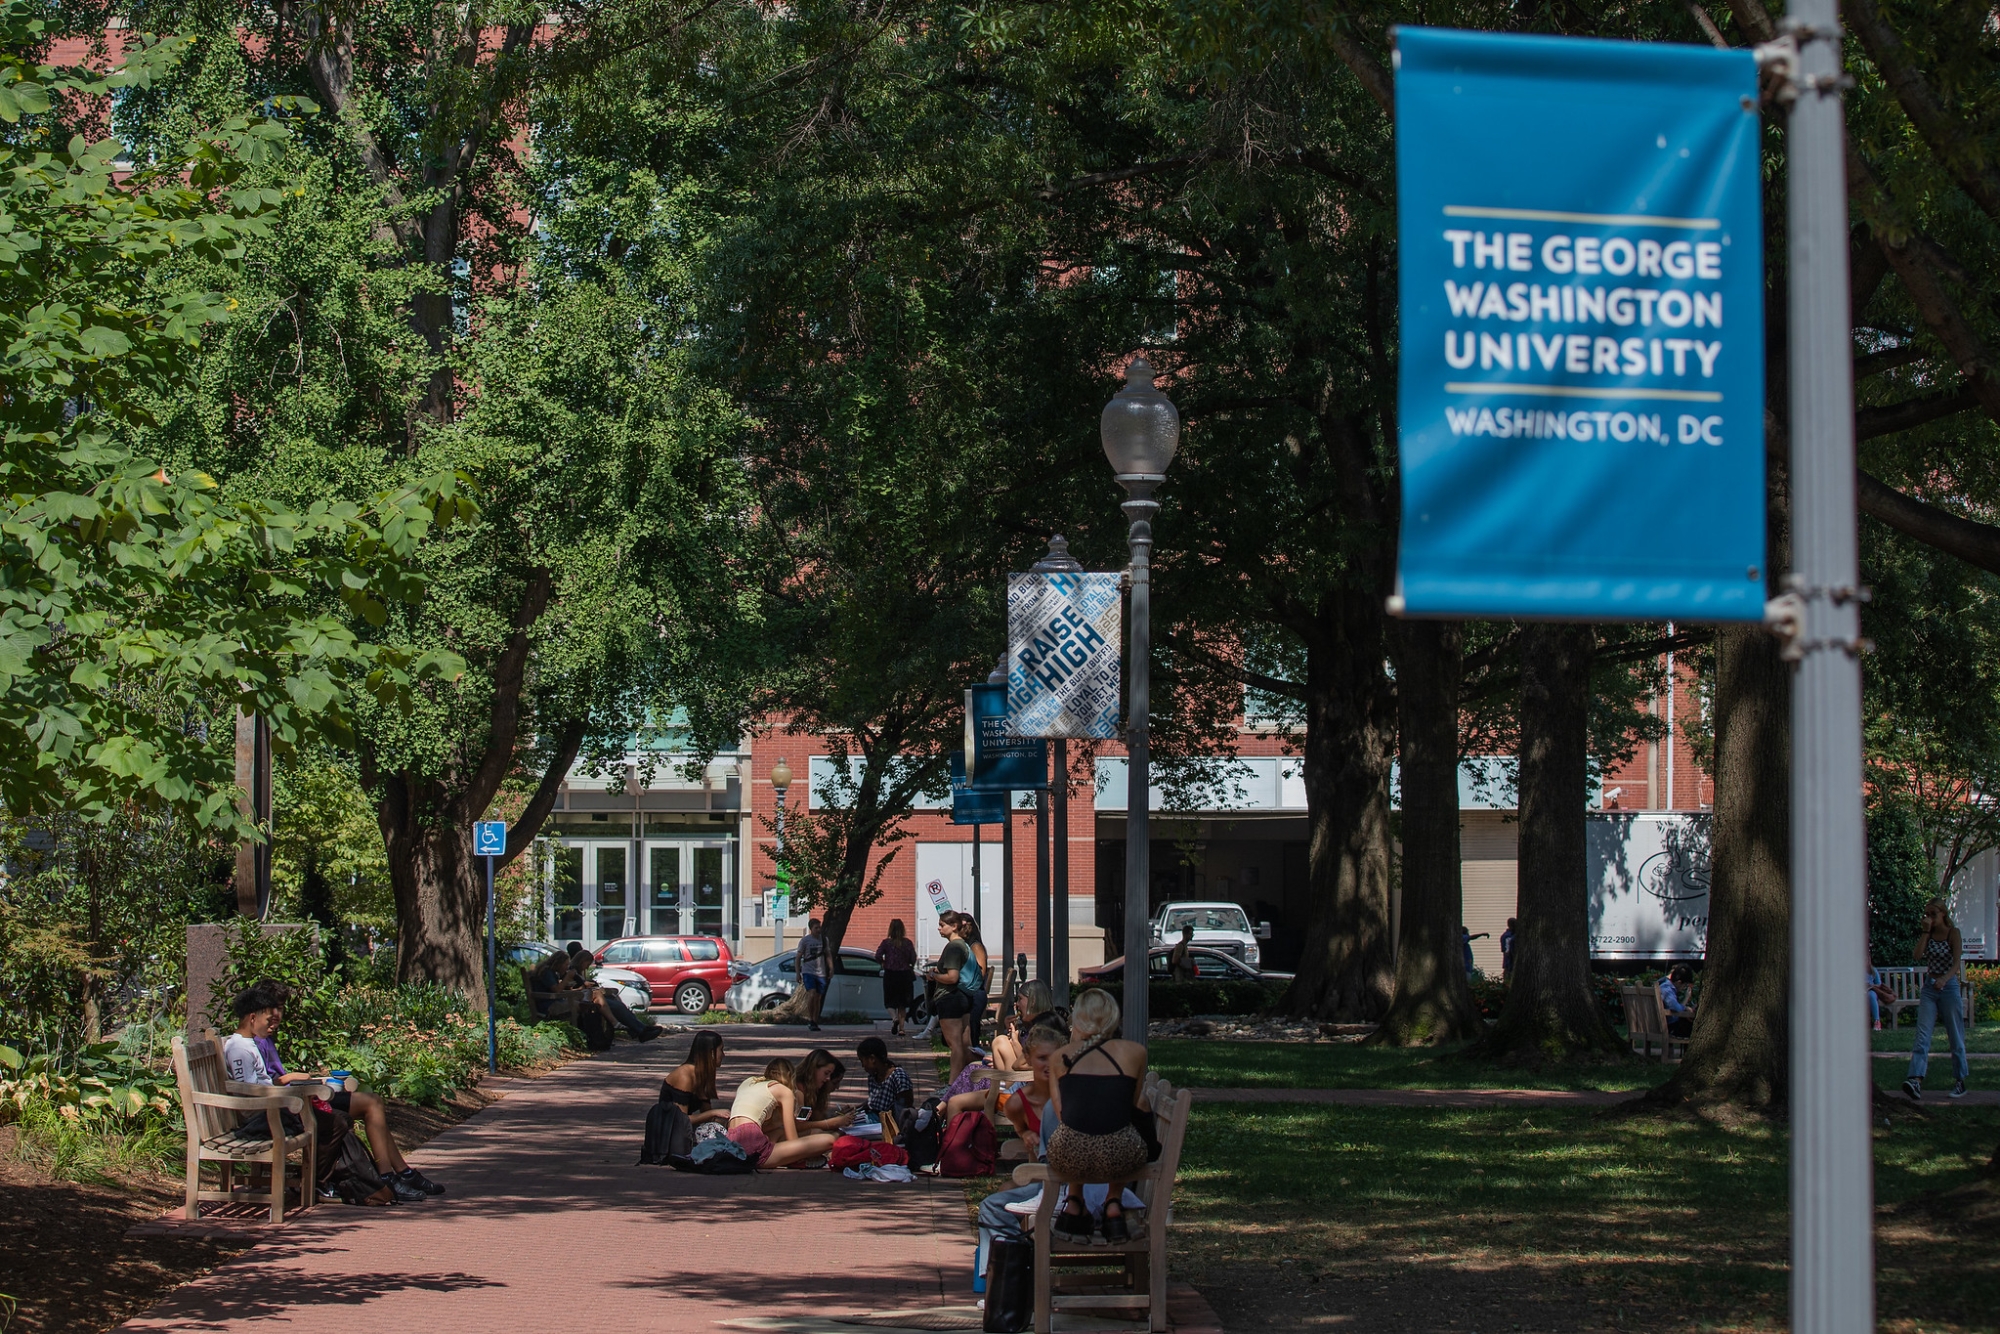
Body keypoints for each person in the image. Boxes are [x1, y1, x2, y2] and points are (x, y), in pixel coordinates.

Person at [224, 982, 438, 1203]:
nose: (275, 1019)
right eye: (269, 1015)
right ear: (253, 1017)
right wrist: (293, 1086)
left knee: (354, 1112)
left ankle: (384, 1177)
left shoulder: (253, 1042)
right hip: (271, 1112)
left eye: (278, 1010)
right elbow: (250, 1090)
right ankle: (350, 1181)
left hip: (285, 1103)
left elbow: (263, 1082)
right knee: (344, 1117)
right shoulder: (244, 1046)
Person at [1046, 988, 1150, 1245]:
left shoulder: (1060, 1056)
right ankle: (1113, 1202)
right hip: (1121, 1155)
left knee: (1074, 1133)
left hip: (1068, 1156)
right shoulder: (1135, 1052)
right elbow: (1133, 1106)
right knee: (1118, 1130)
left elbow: (1063, 1115)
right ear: (1113, 1017)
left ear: (1078, 1018)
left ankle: (1074, 1201)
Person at [1903, 898, 1970, 1101]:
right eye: (1927, 914)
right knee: (1922, 1035)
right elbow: (1916, 956)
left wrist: (1945, 978)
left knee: (1955, 1035)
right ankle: (1915, 1079)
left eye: (1933, 914)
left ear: (1943, 914)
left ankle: (1960, 1080)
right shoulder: (1928, 934)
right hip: (1930, 988)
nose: (1929, 918)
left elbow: (1957, 962)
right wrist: (1925, 932)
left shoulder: (1953, 933)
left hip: (1948, 987)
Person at [727, 1057, 841, 1168]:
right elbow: (793, 1140)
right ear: (791, 1077)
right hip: (752, 1148)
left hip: (732, 1141)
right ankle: (792, 1161)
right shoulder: (785, 1092)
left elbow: (756, 1125)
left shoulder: (749, 1082)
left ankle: (782, 1158)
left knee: (779, 1132)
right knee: (830, 1139)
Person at [925, 912, 985, 1083]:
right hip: (965, 997)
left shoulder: (953, 947)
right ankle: (976, 1077)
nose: (939, 928)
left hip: (950, 997)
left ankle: (953, 1084)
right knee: (964, 1044)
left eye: (942, 925)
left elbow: (952, 977)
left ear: (954, 927)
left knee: (955, 1044)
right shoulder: (965, 946)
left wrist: (933, 975)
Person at [568, 952, 663, 1042]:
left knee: (617, 1002)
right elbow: (573, 988)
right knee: (616, 1006)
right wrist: (585, 986)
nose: (587, 967)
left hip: (591, 995)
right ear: (582, 961)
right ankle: (639, 1030)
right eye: (587, 964)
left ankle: (639, 1029)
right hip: (585, 998)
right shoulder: (572, 972)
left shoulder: (580, 972)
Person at [991, 979, 1066, 1073]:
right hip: (1020, 1075)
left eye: (1020, 999)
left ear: (1033, 1001)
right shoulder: (1030, 1026)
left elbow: (1026, 1062)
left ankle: (1003, 1086)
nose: (1017, 1004)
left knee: (1000, 1041)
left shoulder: (1044, 1027)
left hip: (1027, 1079)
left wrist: (1014, 1041)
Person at [661, 1031, 732, 1127]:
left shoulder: (701, 1073)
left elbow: (706, 1113)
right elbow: (681, 1120)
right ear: (711, 1052)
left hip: (683, 1131)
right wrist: (713, 1113)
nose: (723, 1055)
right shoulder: (685, 1076)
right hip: (668, 1133)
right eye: (721, 1050)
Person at [791, 1048, 860, 1135]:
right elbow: (800, 1125)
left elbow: (816, 1119)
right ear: (814, 1069)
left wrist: (836, 1118)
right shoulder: (799, 1090)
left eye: (830, 1075)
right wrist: (832, 1123)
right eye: (826, 1073)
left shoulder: (812, 1092)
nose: (827, 1079)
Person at [876, 919, 918, 1037]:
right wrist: (910, 965)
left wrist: (883, 963)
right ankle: (902, 1028)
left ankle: (894, 1018)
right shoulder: (907, 943)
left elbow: (878, 955)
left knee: (889, 1001)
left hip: (890, 974)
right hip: (904, 975)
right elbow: (913, 958)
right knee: (902, 1003)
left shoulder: (886, 943)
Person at [856, 1036, 914, 1121]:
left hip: (890, 1123)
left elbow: (905, 1107)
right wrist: (855, 1109)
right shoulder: (873, 1077)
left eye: (862, 1061)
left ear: (872, 1059)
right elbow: (874, 1102)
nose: (862, 1066)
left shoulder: (898, 1077)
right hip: (873, 1118)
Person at [797, 917, 832, 1032]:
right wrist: (798, 973)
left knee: (818, 997)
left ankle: (815, 1020)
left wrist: (831, 968)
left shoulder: (823, 940)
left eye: (819, 927)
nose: (818, 930)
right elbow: (798, 957)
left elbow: (828, 955)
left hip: (821, 972)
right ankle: (810, 1018)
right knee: (811, 994)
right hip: (808, 971)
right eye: (816, 928)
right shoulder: (805, 941)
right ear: (811, 928)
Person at [1658, 965, 1696, 1038]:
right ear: (1679, 982)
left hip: (1659, 1025)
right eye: (1684, 985)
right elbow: (1676, 1008)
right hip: (1668, 1027)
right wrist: (1685, 1007)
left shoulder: (1662, 985)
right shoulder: (1667, 989)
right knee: (1693, 1028)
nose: (1683, 988)